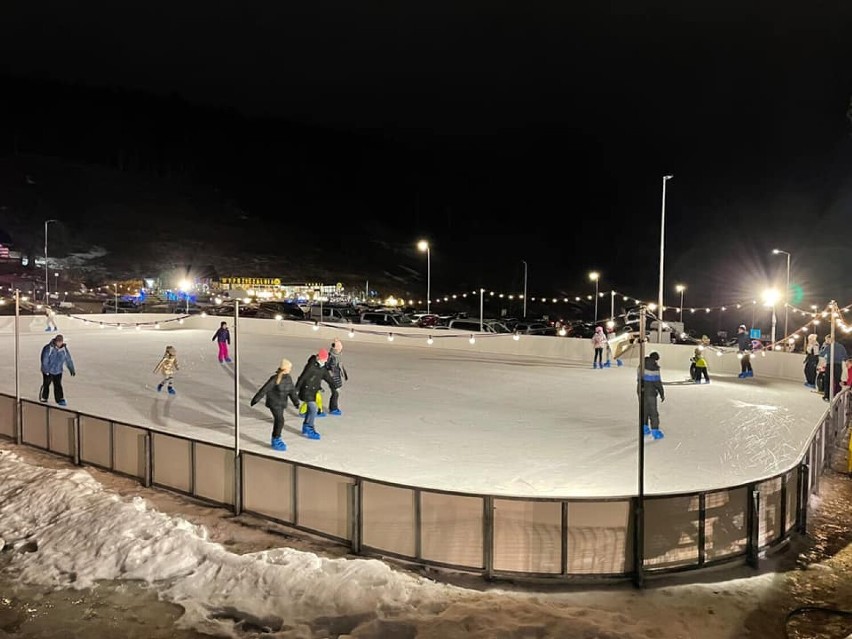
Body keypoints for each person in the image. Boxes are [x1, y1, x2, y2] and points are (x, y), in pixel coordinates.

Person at [251, 358, 300, 452]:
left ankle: (277, 437)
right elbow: (264, 389)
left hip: (281, 403)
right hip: (274, 403)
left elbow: (292, 391)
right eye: (289, 368)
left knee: (280, 420)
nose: (290, 369)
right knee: (280, 420)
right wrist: (256, 399)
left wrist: (296, 402)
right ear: (285, 369)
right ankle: (276, 439)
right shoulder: (275, 379)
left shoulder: (288, 378)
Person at [295, 348, 335, 440]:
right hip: (306, 391)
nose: (325, 361)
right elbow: (303, 377)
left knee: (310, 409)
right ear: (319, 358)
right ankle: (310, 427)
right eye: (324, 359)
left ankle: (305, 425)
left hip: (313, 392)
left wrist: (334, 386)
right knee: (313, 409)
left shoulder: (322, 368)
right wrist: (296, 389)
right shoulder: (311, 366)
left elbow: (328, 378)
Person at [40, 333, 76, 406]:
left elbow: (68, 359)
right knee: (46, 384)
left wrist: (71, 367)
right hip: (48, 371)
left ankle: (60, 399)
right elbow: (44, 360)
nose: (59, 343)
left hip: (58, 370)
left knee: (58, 385)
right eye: (58, 341)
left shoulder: (64, 349)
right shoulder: (48, 348)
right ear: (55, 341)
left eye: (60, 341)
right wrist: (46, 370)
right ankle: (44, 397)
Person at [638, 351, 665, 439]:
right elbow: (657, 382)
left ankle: (644, 428)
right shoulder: (654, 368)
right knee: (653, 411)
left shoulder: (641, 365)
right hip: (650, 392)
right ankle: (655, 431)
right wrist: (662, 393)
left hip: (640, 390)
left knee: (644, 409)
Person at [819, 335, 848, 402]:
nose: (826, 341)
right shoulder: (841, 346)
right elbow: (845, 356)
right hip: (838, 365)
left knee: (827, 380)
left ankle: (827, 396)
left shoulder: (828, 346)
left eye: (826, 340)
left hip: (830, 364)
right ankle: (837, 397)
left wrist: (823, 345)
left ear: (829, 339)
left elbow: (821, 354)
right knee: (837, 381)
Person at [326, 338, 349, 415]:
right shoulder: (331, 357)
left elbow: (340, 367)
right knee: (335, 393)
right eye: (339, 347)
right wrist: (335, 384)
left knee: (335, 393)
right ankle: (333, 408)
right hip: (332, 379)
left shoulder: (337, 356)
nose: (340, 349)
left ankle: (333, 407)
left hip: (336, 377)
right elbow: (330, 370)